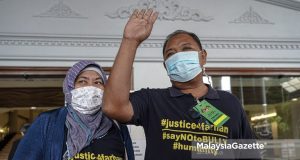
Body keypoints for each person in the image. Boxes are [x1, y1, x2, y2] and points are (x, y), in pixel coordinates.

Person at [103, 9, 258, 159]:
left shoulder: (230, 102)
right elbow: (113, 106)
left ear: (203, 57)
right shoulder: (152, 101)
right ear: (166, 66)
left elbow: (248, 154)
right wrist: (130, 41)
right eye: (171, 54)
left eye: (186, 49)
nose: (179, 56)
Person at [13, 60, 134, 160]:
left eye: (97, 82)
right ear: (70, 87)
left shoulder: (117, 125)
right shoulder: (47, 122)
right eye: (82, 81)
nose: (90, 87)